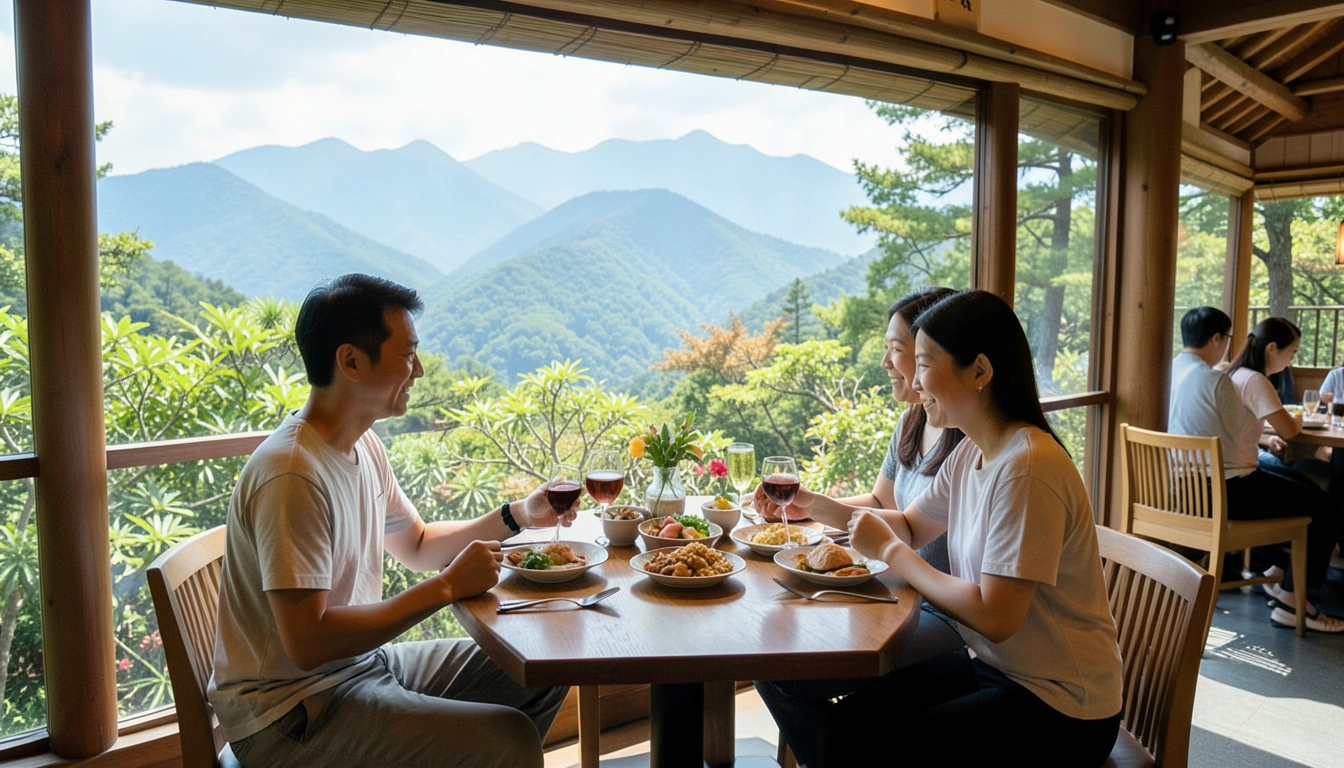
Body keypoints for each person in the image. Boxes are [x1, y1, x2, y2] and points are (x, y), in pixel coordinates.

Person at [209, 274, 575, 767]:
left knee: (541, 668)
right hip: (289, 713)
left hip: (359, 670)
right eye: (407, 355)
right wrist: (447, 588)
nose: (419, 370)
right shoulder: (292, 473)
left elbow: (418, 545)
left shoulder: (361, 444)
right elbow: (308, 643)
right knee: (508, 740)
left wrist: (518, 515)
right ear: (351, 362)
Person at [758, 290, 1122, 768]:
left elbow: (995, 616)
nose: (914, 379)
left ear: (980, 372)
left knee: (853, 746)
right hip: (995, 668)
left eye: (925, 364)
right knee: (840, 730)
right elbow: (910, 525)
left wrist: (892, 553)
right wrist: (811, 505)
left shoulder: (1028, 468)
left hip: (1060, 706)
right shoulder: (974, 451)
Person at [1169, 307, 1344, 633]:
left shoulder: (1170, 371)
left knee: (1307, 488)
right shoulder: (1214, 379)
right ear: (1218, 338)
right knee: (1330, 508)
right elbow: (1242, 440)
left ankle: (1285, 578)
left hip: (1183, 488)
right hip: (1227, 491)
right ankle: (1292, 601)